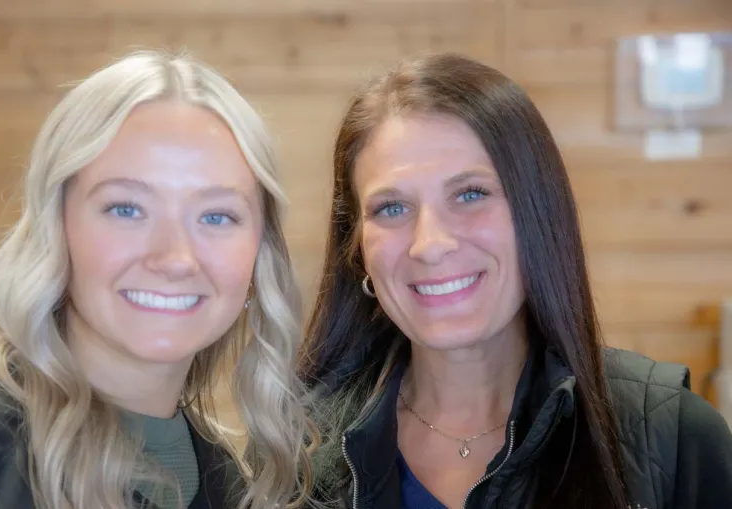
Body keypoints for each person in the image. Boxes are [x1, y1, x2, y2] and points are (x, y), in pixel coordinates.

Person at [0, 49, 315, 509]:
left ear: (260, 253)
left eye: (216, 216)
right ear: (55, 230)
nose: (175, 257)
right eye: (126, 208)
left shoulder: (228, 484)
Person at [298, 52, 732, 509]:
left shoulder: (670, 436)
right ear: (358, 247)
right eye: (391, 207)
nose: (430, 244)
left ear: (536, 211)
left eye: (470, 194)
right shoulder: (297, 450)